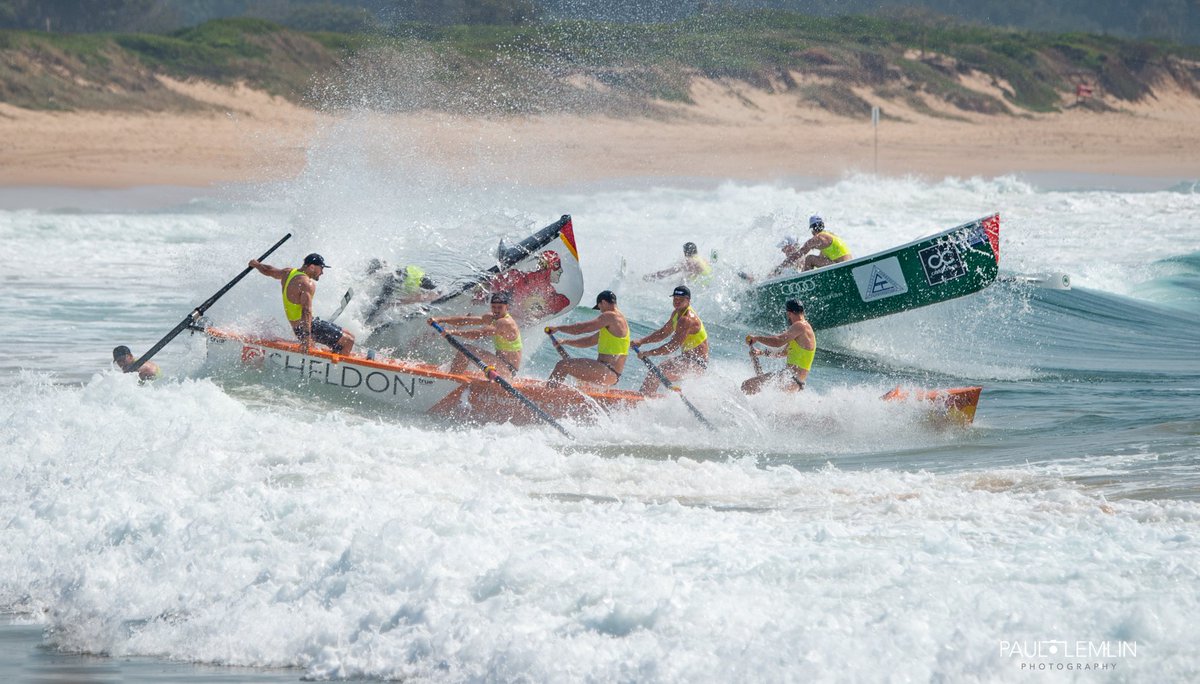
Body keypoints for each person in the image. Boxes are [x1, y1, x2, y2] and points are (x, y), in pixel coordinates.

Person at [250, 252, 355, 355]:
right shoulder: (306, 284)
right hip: (304, 328)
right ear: (312, 267)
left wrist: (256, 264)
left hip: (305, 325)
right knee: (349, 341)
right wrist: (306, 338)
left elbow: (268, 270)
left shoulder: (288, 272)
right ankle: (337, 363)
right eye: (321, 268)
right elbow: (306, 311)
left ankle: (336, 352)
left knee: (349, 334)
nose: (322, 272)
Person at [633, 285, 709, 394]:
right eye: (675, 299)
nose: (677, 302)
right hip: (686, 359)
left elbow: (672, 347)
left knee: (655, 374)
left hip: (696, 364)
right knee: (655, 373)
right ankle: (647, 397)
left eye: (680, 299)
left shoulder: (687, 319)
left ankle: (642, 399)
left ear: (688, 300)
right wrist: (641, 341)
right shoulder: (676, 313)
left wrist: (648, 353)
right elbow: (663, 333)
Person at [545, 289, 630, 387]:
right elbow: (589, 341)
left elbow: (583, 328)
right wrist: (566, 341)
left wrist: (558, 328)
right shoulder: (620, 322)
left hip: (606, 370)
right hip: (610, 374)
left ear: (603, 302)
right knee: (575, 375)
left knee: (562, 365)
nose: (601, 311)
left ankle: (548, 393)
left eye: (599, 307)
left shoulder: (611, 315)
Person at [429, 291, 523, 378]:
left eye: (500, 307)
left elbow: (480, 333)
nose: (496, 310)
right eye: (494, 307)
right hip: (499, 365)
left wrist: (452, 332)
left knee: (466, 349)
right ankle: (454, 377)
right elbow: (467, 320)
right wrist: (441, 319)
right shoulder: (492, 317)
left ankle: (451, 379)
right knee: (465, 350)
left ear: (507, 307)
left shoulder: (506, 323)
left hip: (508, 370)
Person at [741, 299, 816, 394]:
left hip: (790, 378)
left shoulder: (800, 326)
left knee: (747, 385)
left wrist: (757, 338)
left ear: (789, 313)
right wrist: (760, 353)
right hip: (795, 382)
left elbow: (778, 341)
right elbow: (782, 353)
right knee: (761, 391)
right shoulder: (804, 329)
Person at [482, 250, 572, 321]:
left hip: (506, 308)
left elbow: (564, 302)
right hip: (502, 299)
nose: (561, 271)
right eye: (556, 265)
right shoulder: (533, 280)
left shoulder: (546, 289)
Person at [769, 214, 852, 276]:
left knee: (809, 258)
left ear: (812, 230)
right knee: (819, 257)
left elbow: (797, 255)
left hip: (841, 267)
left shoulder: (817, 239)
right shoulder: (830, 235)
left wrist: (779, 268)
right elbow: (822, 260)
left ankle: (804, 280)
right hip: (848, 266)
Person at [644, 241, 714, 286]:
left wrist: (650, 277)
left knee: (681, 281)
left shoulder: (689, 262)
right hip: (710, 282)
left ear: (685, 252)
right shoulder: (702, 259)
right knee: (684, 277)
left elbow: (668, 272)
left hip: (703, 285)